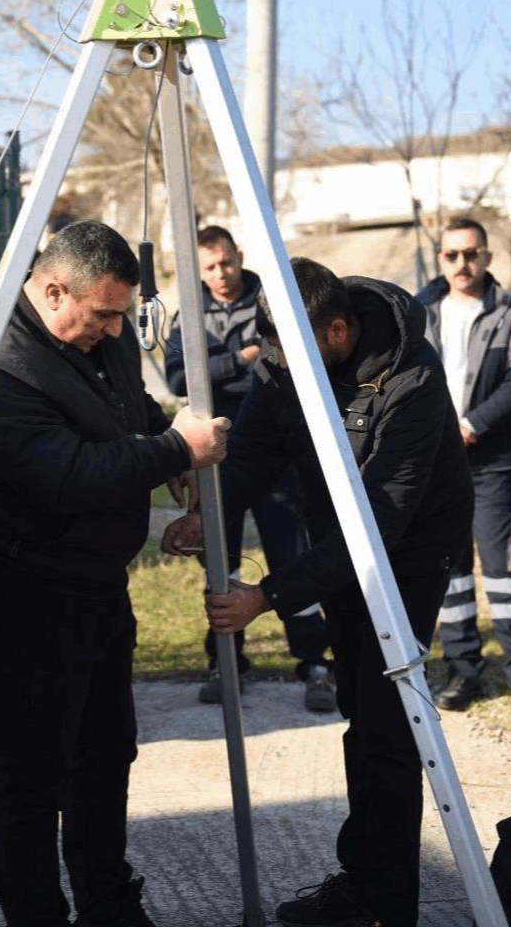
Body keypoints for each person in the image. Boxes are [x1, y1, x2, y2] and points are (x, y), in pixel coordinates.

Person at [165, 259, 473, 927]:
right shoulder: (287, 357)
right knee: (359, 712)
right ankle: (360, 883)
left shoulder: (412, 380)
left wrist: (267, 597)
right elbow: (252, 453)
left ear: (336, 330)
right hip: (339, 543)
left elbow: (381, 521)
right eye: (273, 349)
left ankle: (389, 906)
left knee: (388, 725)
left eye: (289, 351)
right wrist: (206, 516)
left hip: (408, 554)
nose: (277, 363)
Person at [0, 221, 229, 927]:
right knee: (34, 770)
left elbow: (127, 407)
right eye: (102, 314)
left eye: (120, 315)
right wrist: (174, 450)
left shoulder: (102, 331)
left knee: (105, 753)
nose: (113, 330)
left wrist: (163, 440)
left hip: (96, 580)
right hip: (25, 588)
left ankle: (107, 903)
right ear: (52, 291)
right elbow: (65, 475)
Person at [162, 226, 334, 712]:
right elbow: (178, 378)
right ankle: (225, 662)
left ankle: (315, 663)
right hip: (216, 458)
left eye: (226, 262)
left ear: (238, 256)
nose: (221, 273)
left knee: (291, 555)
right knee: (221, 561)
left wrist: (220, 366)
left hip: (276, 452)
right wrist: (243, 358)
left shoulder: (269, 300)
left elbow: (283, 362)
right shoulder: (189, 312)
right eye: (210, 266)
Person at [415, 217, 511, 726]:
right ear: (440, 259)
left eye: (471, 254)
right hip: (436, 464)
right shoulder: (419, 311)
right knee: (450, 572)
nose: (462, 264)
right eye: (452, 255)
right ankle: (463, 671)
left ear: (487, 257)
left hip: (490, 461)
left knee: (504, 573)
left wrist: (471, 425)